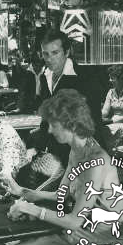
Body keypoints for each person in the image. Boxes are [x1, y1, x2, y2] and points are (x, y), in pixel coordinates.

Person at [0, 89, 123, 245]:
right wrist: (24, 192)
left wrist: (31, 209)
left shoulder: (95, 161)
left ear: (71, 125)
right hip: (73, 237)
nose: (49, 130)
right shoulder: (76, 151)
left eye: (53, 125)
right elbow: (61, 195)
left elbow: (74, 221)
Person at [28, 29, 104, 166]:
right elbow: (46, 120)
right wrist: (38, 148)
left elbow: (92, 122)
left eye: (55, 53)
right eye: (45, 54)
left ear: (67, 52)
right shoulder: (45, 77)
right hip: (55, 151)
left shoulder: (86, 78)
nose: (49, 59)